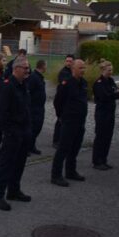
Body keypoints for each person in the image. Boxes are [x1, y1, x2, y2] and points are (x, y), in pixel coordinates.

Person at [0, 56, 33, 211]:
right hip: (13, 132)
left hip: (24, 131)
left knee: (19, 163)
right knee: (6, 164)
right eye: (25, 68)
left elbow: (26, 108)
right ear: (16, 69)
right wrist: (9, 131)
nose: (28, 71)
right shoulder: (8, 86)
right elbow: (1, 112)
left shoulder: (24, 85)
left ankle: (14, 191)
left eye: (28, 68)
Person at [51, 59, 88, 187]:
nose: (83, 70)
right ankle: (56, 175)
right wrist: (61, 116)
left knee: (75, 148)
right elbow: (58, 102)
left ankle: (70, 171)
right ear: (73, 69)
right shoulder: (66, 84)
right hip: (69, 121)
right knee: (63, 148)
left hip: (80, 121)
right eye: (80, 68)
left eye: (84, 68)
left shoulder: (83, 83)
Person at [92, 60, 119, 170]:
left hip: (110, 112)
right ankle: (97, 161)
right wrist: (118, 93)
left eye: (111, 70)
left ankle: (104, 159)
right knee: (100, 137)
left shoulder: (111, 81)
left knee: (108, 137)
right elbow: (106, 96)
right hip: (102, 113)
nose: (111, 72)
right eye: (109, 70)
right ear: (103, 70)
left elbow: (114, 92)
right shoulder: (99, 83)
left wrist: (117, 94)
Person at [52, 54, 75, 148]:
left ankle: (65, 139)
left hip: (69, 101)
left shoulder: (72, 71)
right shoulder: (64, 72)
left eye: (70, 61)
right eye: (67, 61)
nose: (68, 63)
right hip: (62, 100)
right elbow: (66, 85)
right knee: (60, 121)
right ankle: (56, 141)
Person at [27, 59, 47, 155]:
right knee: (32, 128)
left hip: (39, 107)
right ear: (43, 66)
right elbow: (28, 91)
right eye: (45, 65)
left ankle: (31, 145)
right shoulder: (34, 77)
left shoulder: (39, 77)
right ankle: (26, 147)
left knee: (37, 128)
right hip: (34, 107)